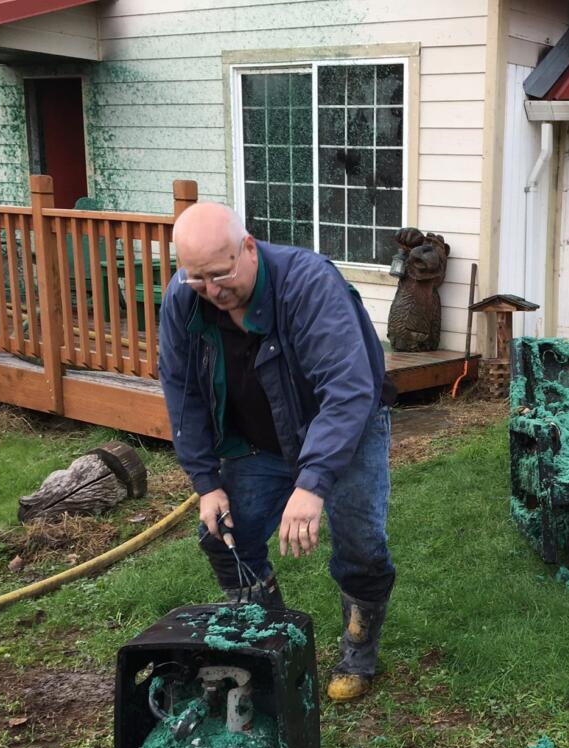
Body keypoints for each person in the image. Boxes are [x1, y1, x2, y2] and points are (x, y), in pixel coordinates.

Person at [159, 202, 396, 702]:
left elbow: (349, 389)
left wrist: (311, 484)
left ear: (248, 248)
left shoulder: (307, 284)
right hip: (256, 440)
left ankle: (358, 651)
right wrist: (206, 482)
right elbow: (182, 393)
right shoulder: (184, 298)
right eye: (197, 278)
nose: (213, 291)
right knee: (222, 536)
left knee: (360, 547)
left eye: (221, 275)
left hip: (345, 431)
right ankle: (272, 647)